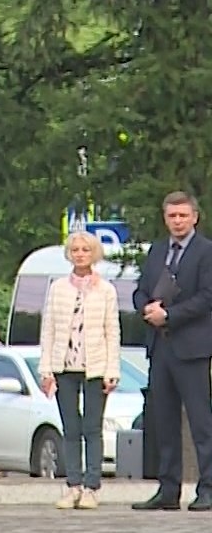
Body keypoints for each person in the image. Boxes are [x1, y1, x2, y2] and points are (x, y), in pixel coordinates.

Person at [132, 192, 212, 511]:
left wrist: (171, 315)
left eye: (183, 215)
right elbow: (140, 289)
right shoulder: (157, 250)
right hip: (159, 347)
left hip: (192, 348)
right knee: (163, 420)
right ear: (165, 218)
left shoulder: (206, 252)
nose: (177, 221)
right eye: (172, 216)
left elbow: (208, 297)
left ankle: (207, 487)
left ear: (194, 217)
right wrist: (146, 308)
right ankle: (168, 489)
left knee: (200, 421)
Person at [39, 229, 120, 510]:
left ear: (94, 253)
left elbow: (112, 331)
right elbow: (48, 329)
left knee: (92, 428)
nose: (80, 254)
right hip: (65, 366)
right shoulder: (58, 287)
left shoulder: (106, 289)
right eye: (75, 250)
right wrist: (46, 369)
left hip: (96, 368)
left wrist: (112, 370)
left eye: (85, 250)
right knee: (70, 427)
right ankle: (72, 484)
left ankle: (92, 487)